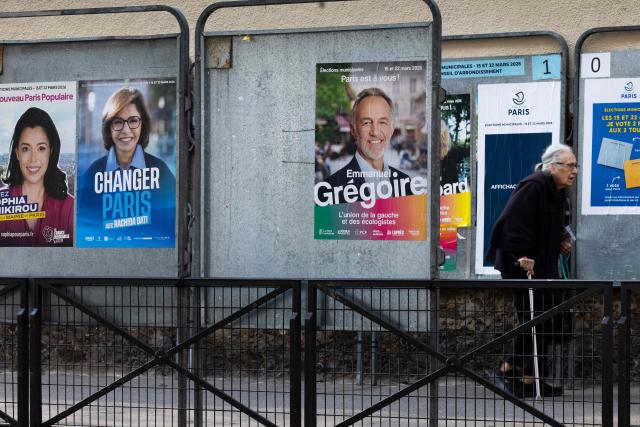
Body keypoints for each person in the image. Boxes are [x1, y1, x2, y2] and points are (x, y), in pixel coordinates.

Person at [486, 143, 577, 398]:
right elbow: (511, 222)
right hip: (521, 265)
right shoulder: (534, 185)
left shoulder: (557, 193)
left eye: (574, 165)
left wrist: (560, 240)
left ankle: (527, 378)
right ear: (552, 166)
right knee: (534, 318)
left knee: (544, 318)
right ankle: (508, 371)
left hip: (543, 265)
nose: (574, 171)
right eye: (569, 165)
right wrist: (521, 254)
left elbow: (545, 225)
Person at [77, 87, 176, 242]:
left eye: (133, 121)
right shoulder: (93, 174)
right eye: (117, 122)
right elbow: (85, 233)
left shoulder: (160, 172)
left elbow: (170, 229)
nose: (126, 130)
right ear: (109, 128)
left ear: (142, 124)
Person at [322, 88, 414, 204]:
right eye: (366, 122)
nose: (375, 132)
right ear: (353, 130)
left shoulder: (407, 185)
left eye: (382, 122)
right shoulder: (329, 191)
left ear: (391, 129)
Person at [0, 107, 73, 246]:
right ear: (17, 153)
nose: (33, 159)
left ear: (51, 151)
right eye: (26, 149)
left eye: (41, 148)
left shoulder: (69, 208)